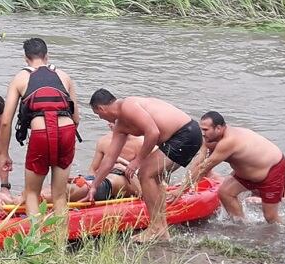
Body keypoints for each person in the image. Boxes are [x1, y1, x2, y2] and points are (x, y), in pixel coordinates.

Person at [84, 89, 202, 242]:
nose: (101, 118)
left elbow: (153, 132)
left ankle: (155, 228)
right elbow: (109, 159)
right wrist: (94, 185)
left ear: (101, 108)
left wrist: (137, 161)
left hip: (186, 133)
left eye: (98, 115)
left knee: (145, 173)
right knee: (155, 178)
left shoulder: (128, 106)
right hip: (179, 137)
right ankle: (162, 230)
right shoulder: (121, 126)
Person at [0, 38, 80, 226]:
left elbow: (5, 122)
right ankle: (60, 249)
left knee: (32, 192)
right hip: (67, 131)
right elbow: (76, 119)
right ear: (47, 56)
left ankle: (35, 244)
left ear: (26, 59)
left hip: (41, 133)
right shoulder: (64, 76)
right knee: (59, 195)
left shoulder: (20, 78)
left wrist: (2, 153)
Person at [181, 111, 285, 223]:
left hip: (271, 170)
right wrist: (183, 184)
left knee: (270, 218)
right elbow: (199, 162)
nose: (202, 133)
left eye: (206, 130)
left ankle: (284, 234)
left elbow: (203, 169)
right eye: (201, 129)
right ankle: (241, 225)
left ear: (218, 128)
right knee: (225, 193)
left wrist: (181, 191)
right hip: (247, 172)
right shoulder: (209, 138)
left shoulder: (228, 141)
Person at [41, 125, 144, 202]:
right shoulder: (104, 141)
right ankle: (33, 197)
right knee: (61, 184)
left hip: (111, 183)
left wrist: (122, 165)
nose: (110, 124)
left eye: (114, 121)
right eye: (110, 121)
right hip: (98, 180)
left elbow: (146, 181)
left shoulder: (142, 143)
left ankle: (37, 200)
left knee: (72, 190)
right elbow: (93, 170)